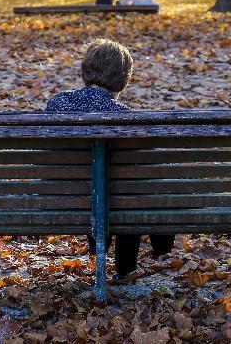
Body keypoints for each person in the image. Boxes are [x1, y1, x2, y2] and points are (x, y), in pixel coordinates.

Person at [45, 39, 175, 278]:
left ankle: (98, 245)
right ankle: (128, 269)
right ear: (124, 79)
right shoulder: (126, 118)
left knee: (101, 186)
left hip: (66, 198)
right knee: (131, 191)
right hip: (117, 201)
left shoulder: (57, 104)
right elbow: (150, 167)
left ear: (84, 72)